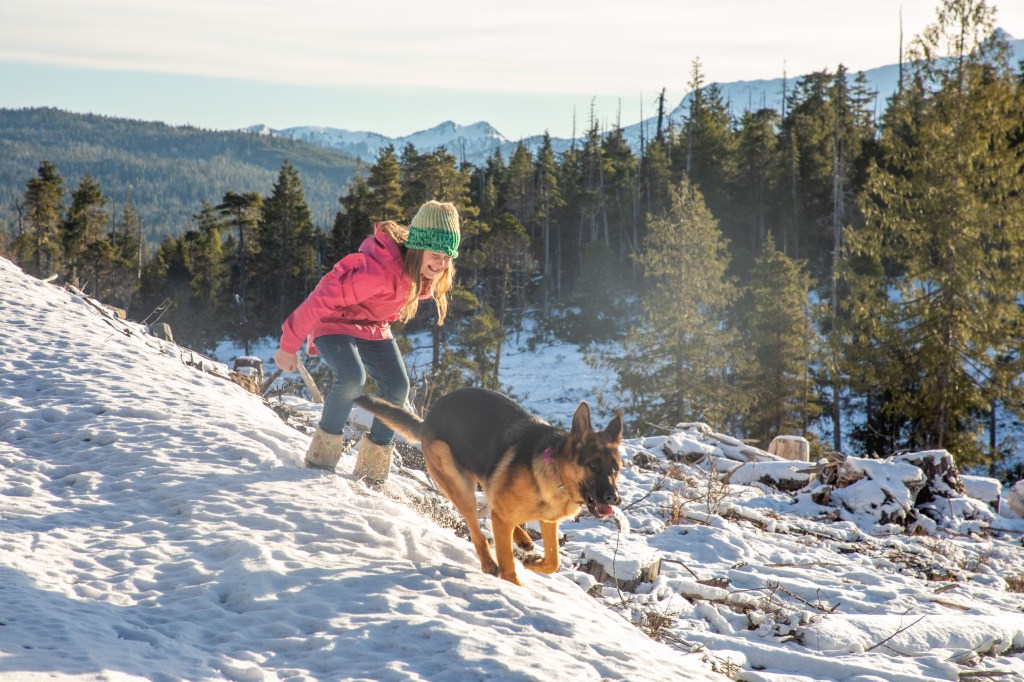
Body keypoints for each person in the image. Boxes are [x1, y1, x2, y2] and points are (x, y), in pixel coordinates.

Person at [273, 200, 460, 482]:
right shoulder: (377, 273)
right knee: (352, 378)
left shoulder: (422, 273)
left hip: (372, 325)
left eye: (448, 257)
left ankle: (372, 471)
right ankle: (321, 460)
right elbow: (321, 299)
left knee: (397, 387)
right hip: (334, 320)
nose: (442, 264)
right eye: (436, 255)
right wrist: (288, 346)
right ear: (418, 247)